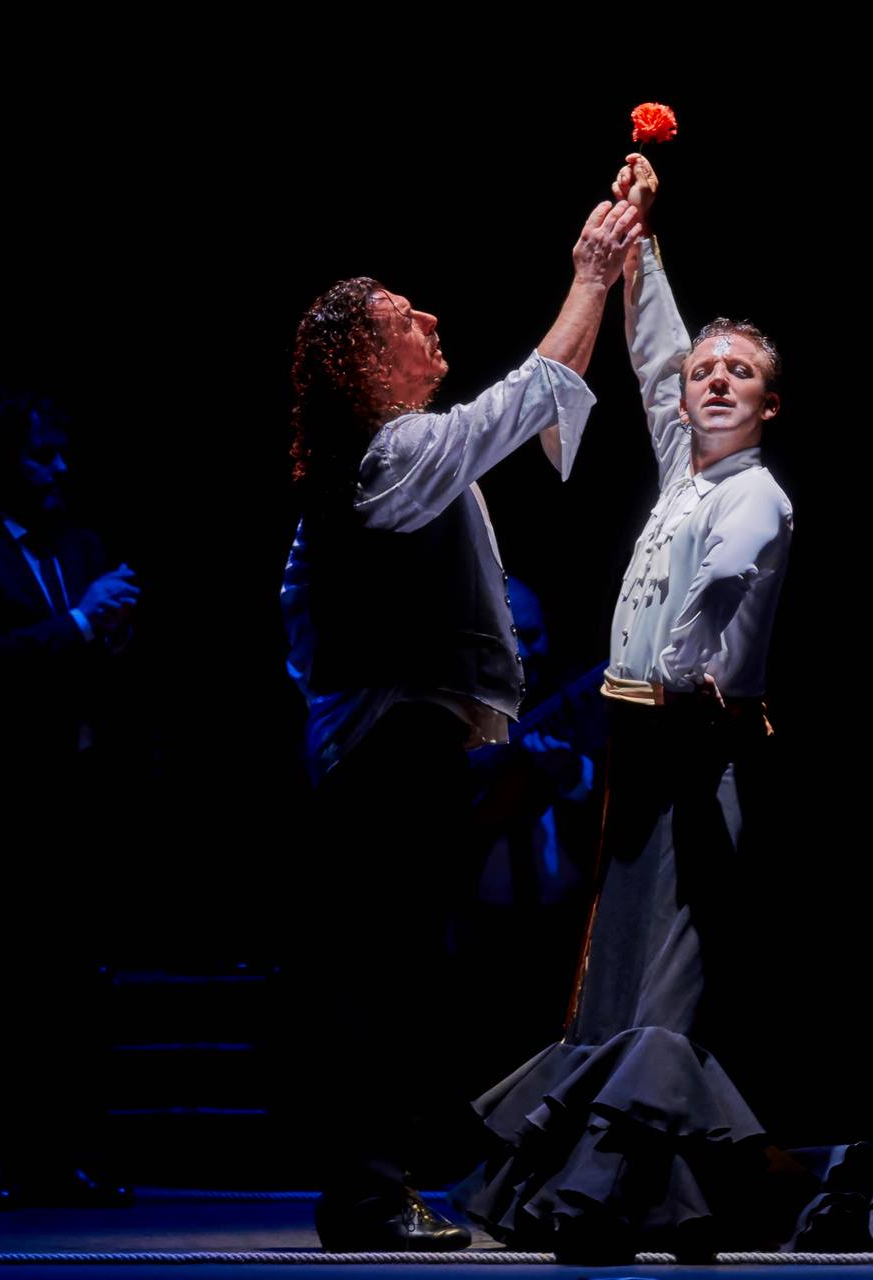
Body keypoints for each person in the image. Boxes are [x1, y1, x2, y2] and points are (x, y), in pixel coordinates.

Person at [452, 152, 796, 1260]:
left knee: (668, 981)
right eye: (710, 370)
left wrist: (678, 682)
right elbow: (654, 357)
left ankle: (621, 1193)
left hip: (695, 750)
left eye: (741, 373)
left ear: (770, 403)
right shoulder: (686, 473)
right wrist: (639, 242)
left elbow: (721, 590)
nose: (715, 380)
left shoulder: (755, 494)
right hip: (647, 753)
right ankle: (615, 1191)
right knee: (617, 974)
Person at [280, 199, 641, 1252]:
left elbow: (538, 404)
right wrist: (590, 272)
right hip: (389, 752)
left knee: (399, 969)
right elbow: (526, 398)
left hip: (400, 747)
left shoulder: (396, 459)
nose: (431, 318)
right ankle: (366, 1194)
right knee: (380, 974)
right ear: (363, 358)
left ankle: (386, 1179)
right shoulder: (391, 454)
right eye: (403, 315)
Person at [0, 389, 142, 1211]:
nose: (60, 469)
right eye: (41, 455)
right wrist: (82, 624)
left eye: (60, 453)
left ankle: (66, 1152)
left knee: (71, 985)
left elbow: (98, 664)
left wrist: (112, 639)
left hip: (74, 804)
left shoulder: (80, 545)